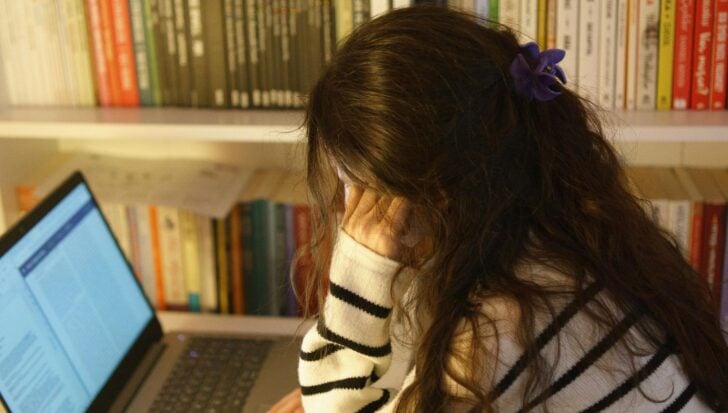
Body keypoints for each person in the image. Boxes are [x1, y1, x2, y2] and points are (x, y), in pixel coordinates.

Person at [269, 5, 728, 412]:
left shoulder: (495, 336)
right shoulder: (584, 238)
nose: (355, 217)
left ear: (421, 200)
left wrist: (359, 269)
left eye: (357, 189)